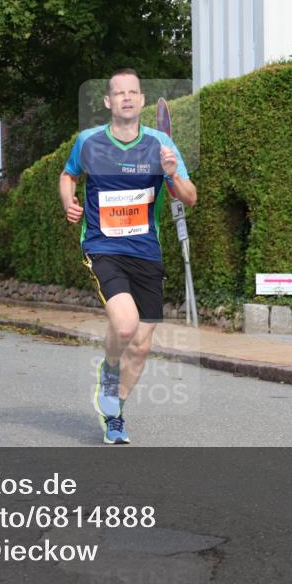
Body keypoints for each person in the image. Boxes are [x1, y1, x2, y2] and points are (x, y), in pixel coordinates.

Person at [59, 68, 197, 444]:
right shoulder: (88, 142)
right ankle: (109, 369)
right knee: (124, 326)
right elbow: (69, 175)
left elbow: (189, 197)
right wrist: (68, 202)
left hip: (146, 252)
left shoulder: (160, 144)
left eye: (133, 92)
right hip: (104, 248)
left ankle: (115, 413)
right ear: (107, 101)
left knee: (142, 344)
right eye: (119, 93)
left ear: (141, 100)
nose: (126, 98)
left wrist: (171, 174)